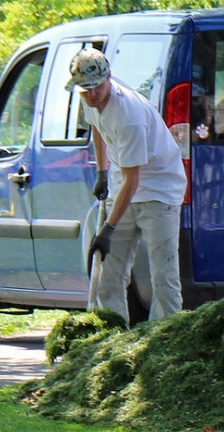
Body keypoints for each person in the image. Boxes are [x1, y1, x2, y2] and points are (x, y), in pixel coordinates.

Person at [68, 47, 186, 322]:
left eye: (95, 88)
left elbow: (135, 180)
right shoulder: (88, 97)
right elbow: (96, 127)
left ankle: (164, 343)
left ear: (108, 78)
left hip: (159, 189)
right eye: (84, 91)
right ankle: (111, 340)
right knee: (107, 275)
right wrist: (102, 171)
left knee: (163, 278)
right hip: (123, 184)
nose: (91, 95)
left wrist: (108, 229)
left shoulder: (128, 115)